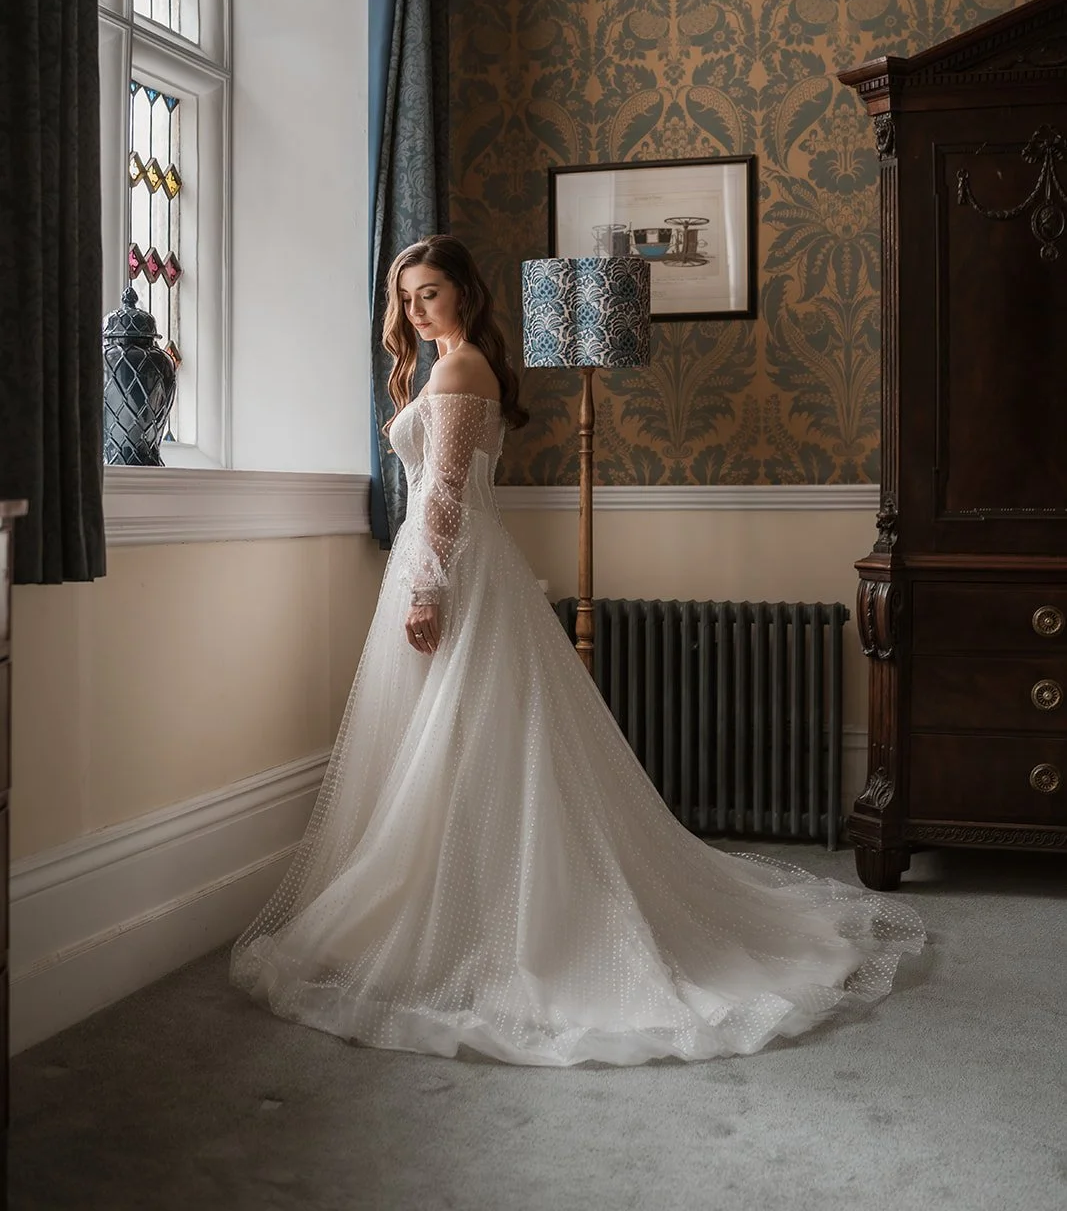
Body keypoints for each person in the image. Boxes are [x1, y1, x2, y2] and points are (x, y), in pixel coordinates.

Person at [230, 234, 924, 1065]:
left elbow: (444, 493)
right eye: (405, 297)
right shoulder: (445, 364)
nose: (415, 309)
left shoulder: (458, 371)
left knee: (472, 734)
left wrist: (425, 588)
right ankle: (464, 894)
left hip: (449, 565)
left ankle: (496, 916)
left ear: (465, 294)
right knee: (449, 742)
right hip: (443, 558)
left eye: (430, 293)